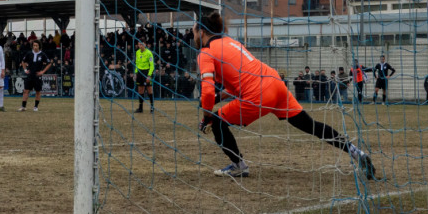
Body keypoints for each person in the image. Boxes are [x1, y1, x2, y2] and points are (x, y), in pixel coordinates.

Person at [193, 11, 377, 180]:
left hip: (258, 93)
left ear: (201, 32)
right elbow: (236, 85)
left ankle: (239, 166)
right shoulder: (232, 43)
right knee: (310, 125)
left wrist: (207, 115)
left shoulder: (206, 53)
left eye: (193, 32)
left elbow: (207, 90)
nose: (192, 36)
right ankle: (356, 153)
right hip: (275, 84)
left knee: (217, 122)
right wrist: (218, 99)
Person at [17, 40, 51, 112]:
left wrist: (43, 71)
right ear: (32, 46)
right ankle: (23, 106)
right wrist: (25, 70)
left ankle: (35, 107)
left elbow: (49, 63)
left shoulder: (42, 54)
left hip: (37, 76)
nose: (35, 47)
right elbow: (23, 62)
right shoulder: (29, 53)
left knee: (38, 91)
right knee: (26, 91)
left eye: (36, 45)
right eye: (34, 45)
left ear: (39, 46)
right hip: (30, 75)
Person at [134, 39, 155, 113]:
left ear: (145, 44)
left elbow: (152, 65)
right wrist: (135, 73)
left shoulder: (149, 53)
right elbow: (136, 63)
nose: (140, 46)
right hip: (139, 72)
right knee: (140, 90)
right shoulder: (137, 52)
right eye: (139, 44)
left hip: (146, 72)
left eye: (141, 44)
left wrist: (149, 75)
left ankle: (152, 107)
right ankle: (140, 108)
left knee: (149, 89)